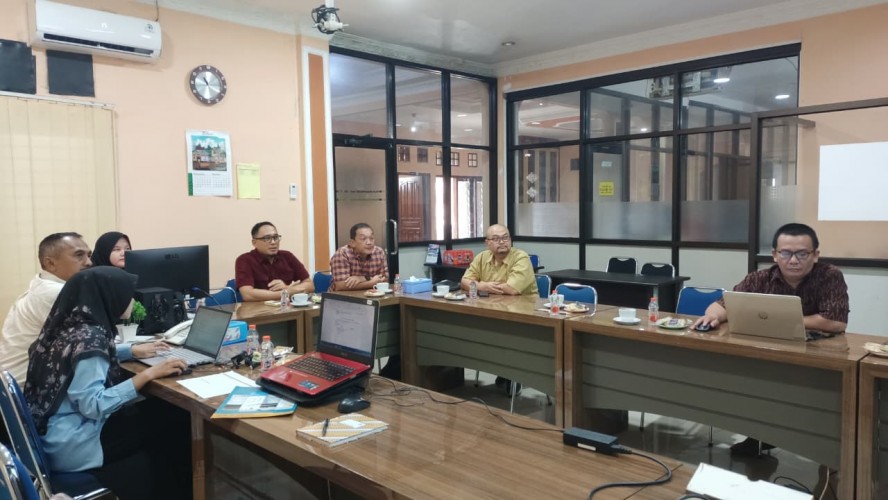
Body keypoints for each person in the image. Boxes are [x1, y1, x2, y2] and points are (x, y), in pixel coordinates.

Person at [24, 267, 187, 500]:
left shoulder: (67, 327)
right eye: (128, 294)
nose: (132, 301)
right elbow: (93, 405)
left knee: (157, 413)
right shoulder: (92, 338)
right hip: (76, 444)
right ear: (110, 296)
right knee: (175, 417)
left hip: (52, 435)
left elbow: (76, 356)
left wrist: (131, 350)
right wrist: (148, 374)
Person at [693, 222, 849, 456]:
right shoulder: (760, 278)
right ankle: (759, 435)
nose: (793, 260)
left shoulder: (830, 276)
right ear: (775, 255)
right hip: (770, 353)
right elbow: (722, 304)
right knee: (749, 381)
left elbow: (836, 321)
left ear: (815, 255)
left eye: (802, 254)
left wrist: (782, 318)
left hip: (816, 355)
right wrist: (712, 317)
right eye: (786, 253)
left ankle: (822, 449)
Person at [0, 233, 93, 381]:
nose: (89, 262)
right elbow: (90, 345)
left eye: (89, 255)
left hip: (12, 383)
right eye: (79, 255)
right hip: (28, 388)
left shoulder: (41, 283)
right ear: (50, 263)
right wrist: (129, 349)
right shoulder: (55, 293)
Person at [235, 221, 314, 301]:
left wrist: (287, 288)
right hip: (258, 308)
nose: (273, 242)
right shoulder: (244, 260)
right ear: (254, 243)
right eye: (267, 238)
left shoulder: (287, 256)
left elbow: (310, 285)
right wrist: (285, 293)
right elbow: (247, 294)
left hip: (286, 307)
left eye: (276, 237)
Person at [460, 224, 538, 296]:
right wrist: (482, 286)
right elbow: (464, 282)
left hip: (522, 305)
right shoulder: (481, 257)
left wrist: (481, 287)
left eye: (505, 237)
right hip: (491, 303)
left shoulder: (521, 257)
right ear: (487, 243)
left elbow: (512, 289)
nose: (501, 242)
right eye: (496, 239)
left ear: (510, 240)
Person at [330, 223, 389, 291]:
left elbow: (385, 278)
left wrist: (363, 278)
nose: (369, 242)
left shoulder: (379, 252)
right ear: (352, 243)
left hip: (370, 295)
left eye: (371, 238)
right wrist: (371, 283)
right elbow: (341, 286)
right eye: (363, 239)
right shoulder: (342, 254)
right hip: (340, 296)